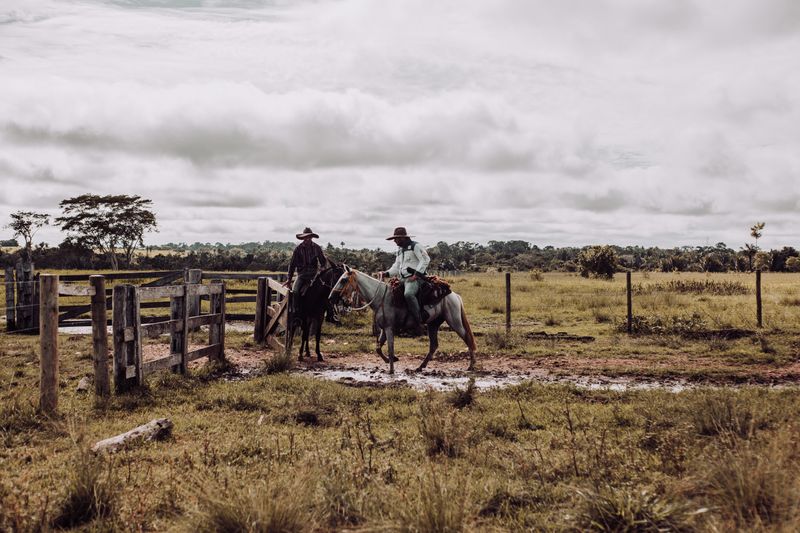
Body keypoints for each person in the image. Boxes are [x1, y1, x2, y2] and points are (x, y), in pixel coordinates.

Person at [380, 227, 431, 331]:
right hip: (403, 279)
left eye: (396, 239)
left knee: (408, 294)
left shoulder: (415, 246)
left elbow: (425, 259)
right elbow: (396, 266)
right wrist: (386, 273)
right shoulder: (399, 251)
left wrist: (417, 274)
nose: (394, 241)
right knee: (390, 294)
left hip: (415, 278)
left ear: (403, 238)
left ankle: (419, 322)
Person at [286, 228, 328, 310]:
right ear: (303, 237)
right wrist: (289, 279)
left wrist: (323, 269)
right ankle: (295, 311)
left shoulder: (317, 248)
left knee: (325, 290)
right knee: (295, 292)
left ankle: (329, 313)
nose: (308, 239)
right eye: (306, 237)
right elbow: (292, 265)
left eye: (309, 237)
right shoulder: (298, 249)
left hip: (314, 275)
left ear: (312, 237)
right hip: (302, 275)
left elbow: (323, 261)